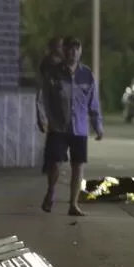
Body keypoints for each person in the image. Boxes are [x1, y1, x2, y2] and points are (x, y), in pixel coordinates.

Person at [36, 36, 103, 217]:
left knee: (78, 166)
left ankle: (73, 204)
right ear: (64, 51)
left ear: (80, 51)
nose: (73, 52)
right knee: (55, 163)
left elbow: (93, 102)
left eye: (77, 49)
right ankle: (51, 190)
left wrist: (97, 125)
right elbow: (43, 99)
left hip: (79, 128)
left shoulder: (87, 75)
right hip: (58, 127)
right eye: (70, 49)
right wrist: (43, 119)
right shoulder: (54, 74)